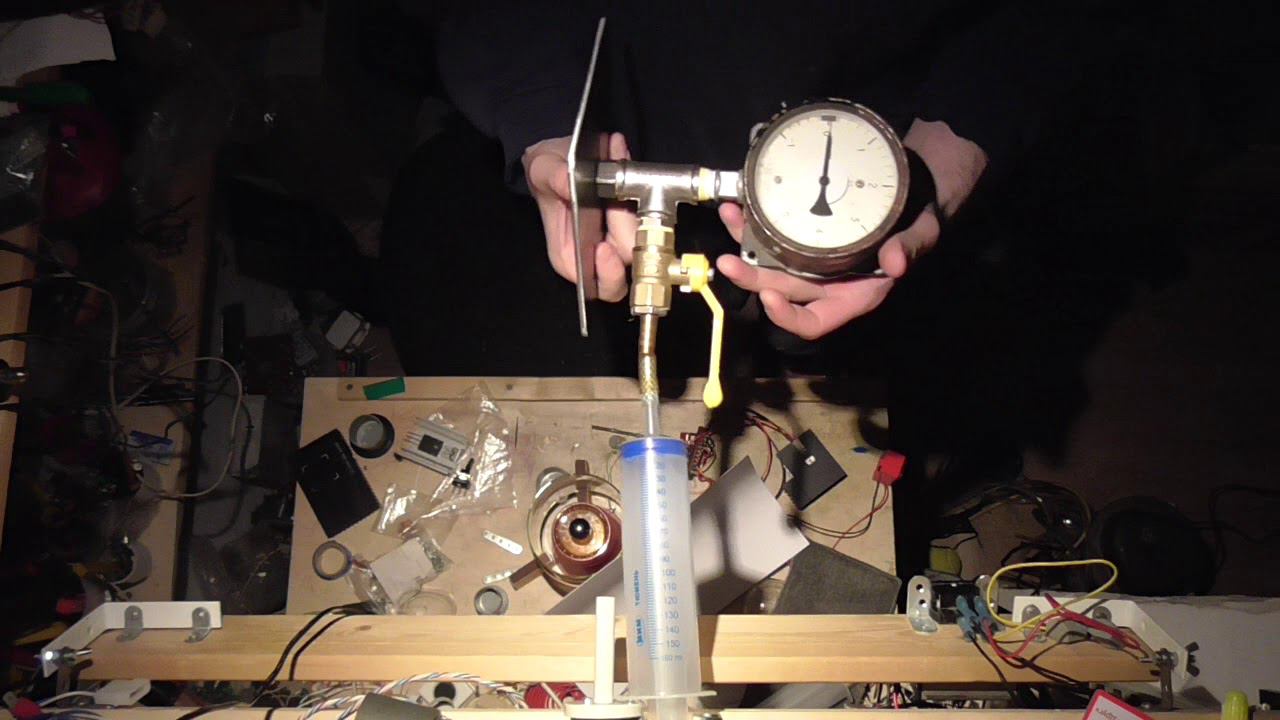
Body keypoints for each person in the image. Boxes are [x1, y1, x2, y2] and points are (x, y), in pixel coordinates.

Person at [434, 1, 1135, 345]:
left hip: (881, 161)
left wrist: (943, 163)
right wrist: (551, 127)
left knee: (844, 367)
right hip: (600, 149)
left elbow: (1052, 22)